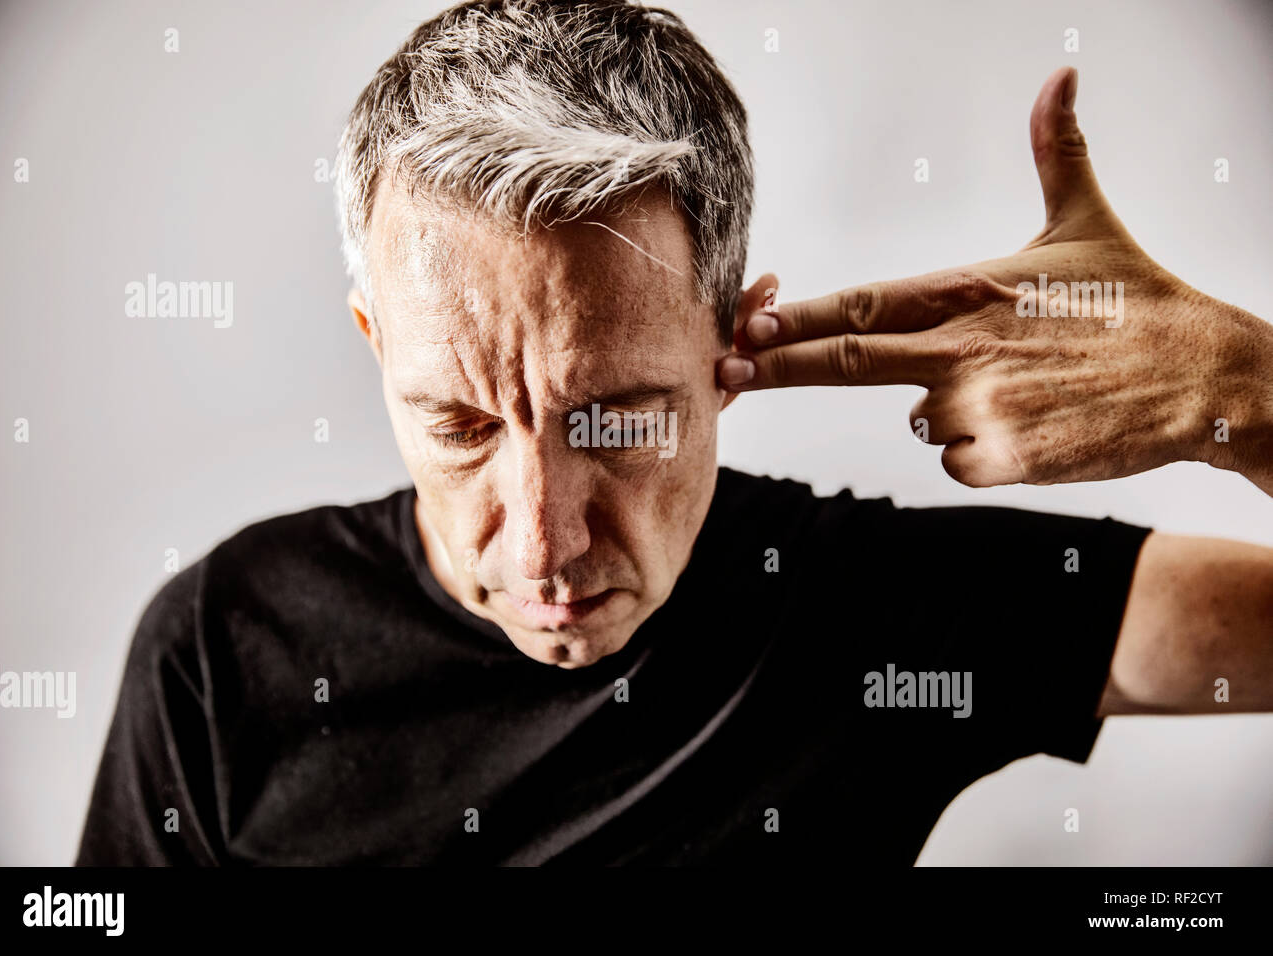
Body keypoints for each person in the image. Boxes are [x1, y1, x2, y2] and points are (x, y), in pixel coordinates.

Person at [76, 0, 1273, 866]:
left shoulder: (864, 616)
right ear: (373, 339)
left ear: (730, 349)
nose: (542, 542)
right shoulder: (222, 648)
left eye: (614, 419)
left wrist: (1248, 394)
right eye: (457, 420)